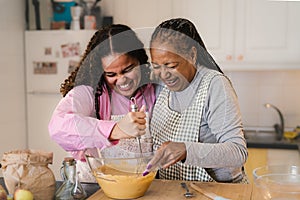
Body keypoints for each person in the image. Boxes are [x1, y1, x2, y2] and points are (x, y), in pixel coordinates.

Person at [143, 18, 248, 183]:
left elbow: (238, 153)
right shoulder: (161, 86)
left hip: (219, 191)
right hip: (174, 190)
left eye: (170, 65)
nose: (163, 74)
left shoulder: (214, 85)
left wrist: (186, 150)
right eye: (157, 66)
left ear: (192, 55)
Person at [48, 24, 156, 181]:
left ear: (139, 60)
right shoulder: (90, 93)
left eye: (127, 69)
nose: (122, 79)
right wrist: (115, 130)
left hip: (142, 181)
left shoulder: (153, 91)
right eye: (111, 74)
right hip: (95, 183)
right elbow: (58, 127)